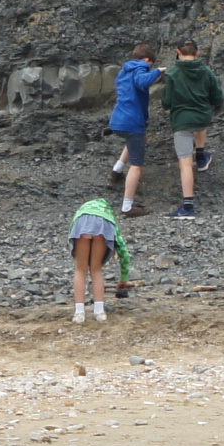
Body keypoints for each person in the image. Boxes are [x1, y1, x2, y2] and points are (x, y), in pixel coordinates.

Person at [161, 40, 222, 218]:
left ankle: (188, 206)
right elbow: (217, 98)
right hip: (203, 117)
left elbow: (166, 103)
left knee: (185, 164)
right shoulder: (206, 71)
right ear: (198, 52)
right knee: (200, 124)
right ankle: (201, 154)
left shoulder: (172, 73)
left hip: (182, 120)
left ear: (177, 51)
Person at [108, 44, 161, 216]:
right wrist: (158, 71)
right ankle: (127, 206)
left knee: (132, 142)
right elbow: (142, 81)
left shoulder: (124, 71)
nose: (149, 68)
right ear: (147, 60)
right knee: (137, 165)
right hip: (132, 122)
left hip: (118, 120)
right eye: (150, 64)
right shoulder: (141, 68)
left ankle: (117, 170)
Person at [69, 193, 132, 322]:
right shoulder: (109, 216)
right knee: (96, 270)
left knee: (80, 270)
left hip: (81, 224)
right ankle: (99, 312)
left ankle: (79, 313)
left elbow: (71, 231)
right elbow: (123, 250)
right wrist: (124, 278)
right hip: (103, 225)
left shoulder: (81, 211)